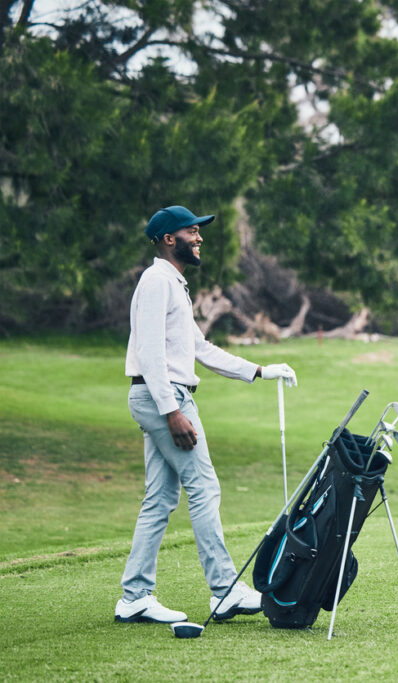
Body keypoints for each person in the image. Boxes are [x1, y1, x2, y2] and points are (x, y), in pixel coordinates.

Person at [115, 205, 299, 625]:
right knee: (204, 487)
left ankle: (135, 596)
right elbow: (149, 352)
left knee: (160, 499)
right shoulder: (156, 280)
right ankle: (224, 591)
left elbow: (199, 348)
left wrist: (258, 370)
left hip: (164, 397)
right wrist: (172, 411)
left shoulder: (174, 284)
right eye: (192, 232)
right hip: (165, 399)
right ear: (169, 239)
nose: (199, 239)